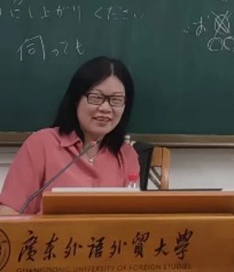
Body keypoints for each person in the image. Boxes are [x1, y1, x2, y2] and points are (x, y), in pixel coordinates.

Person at [0, 56, 139, 215]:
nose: (106, 108)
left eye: (116, 100)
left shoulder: (126, 155)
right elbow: (9, 212)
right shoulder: (41, 144)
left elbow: (132, 217)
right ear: (76, 99)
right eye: (96, 98)